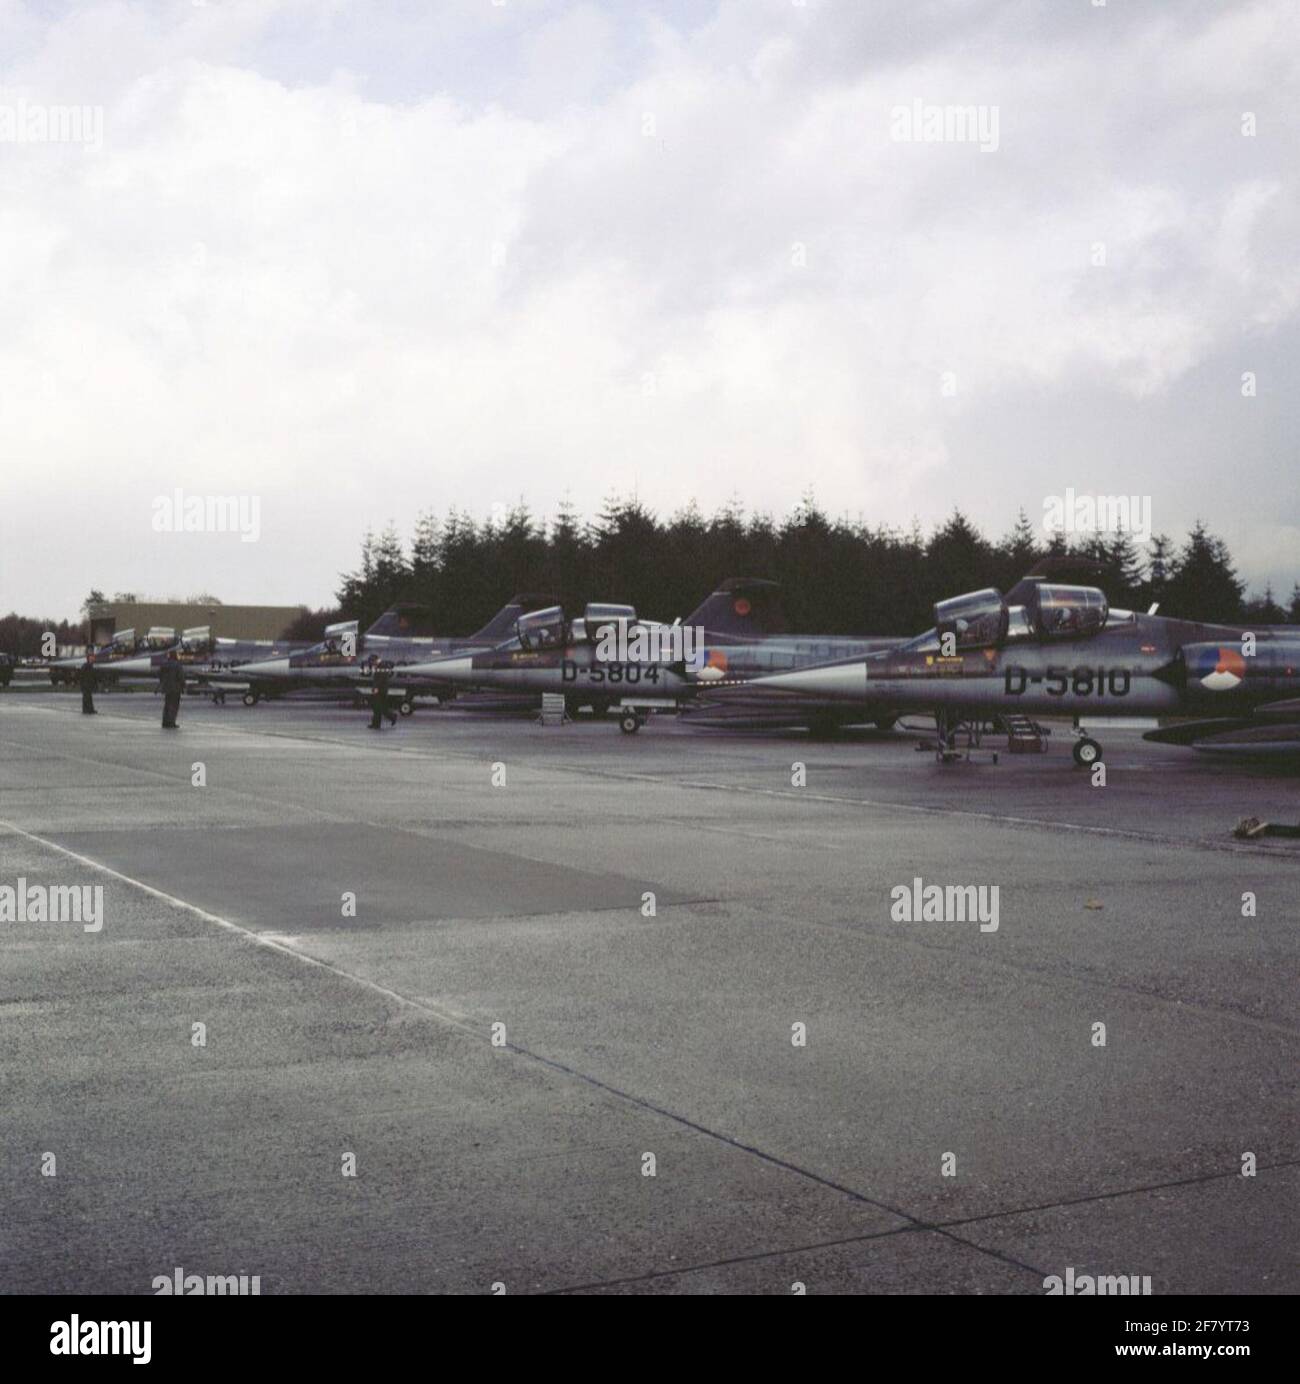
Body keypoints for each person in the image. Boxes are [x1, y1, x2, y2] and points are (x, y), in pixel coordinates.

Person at [159, 650, 186, 728]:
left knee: (167, 705)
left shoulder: (164, 664)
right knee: (174, 706)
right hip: (176, 688)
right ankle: (171, 722)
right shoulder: (177, 665)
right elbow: (181, 676)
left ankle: (165, 721)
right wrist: (183, 685)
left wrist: (163, 682)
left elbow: (159, 674)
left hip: (166, 687)